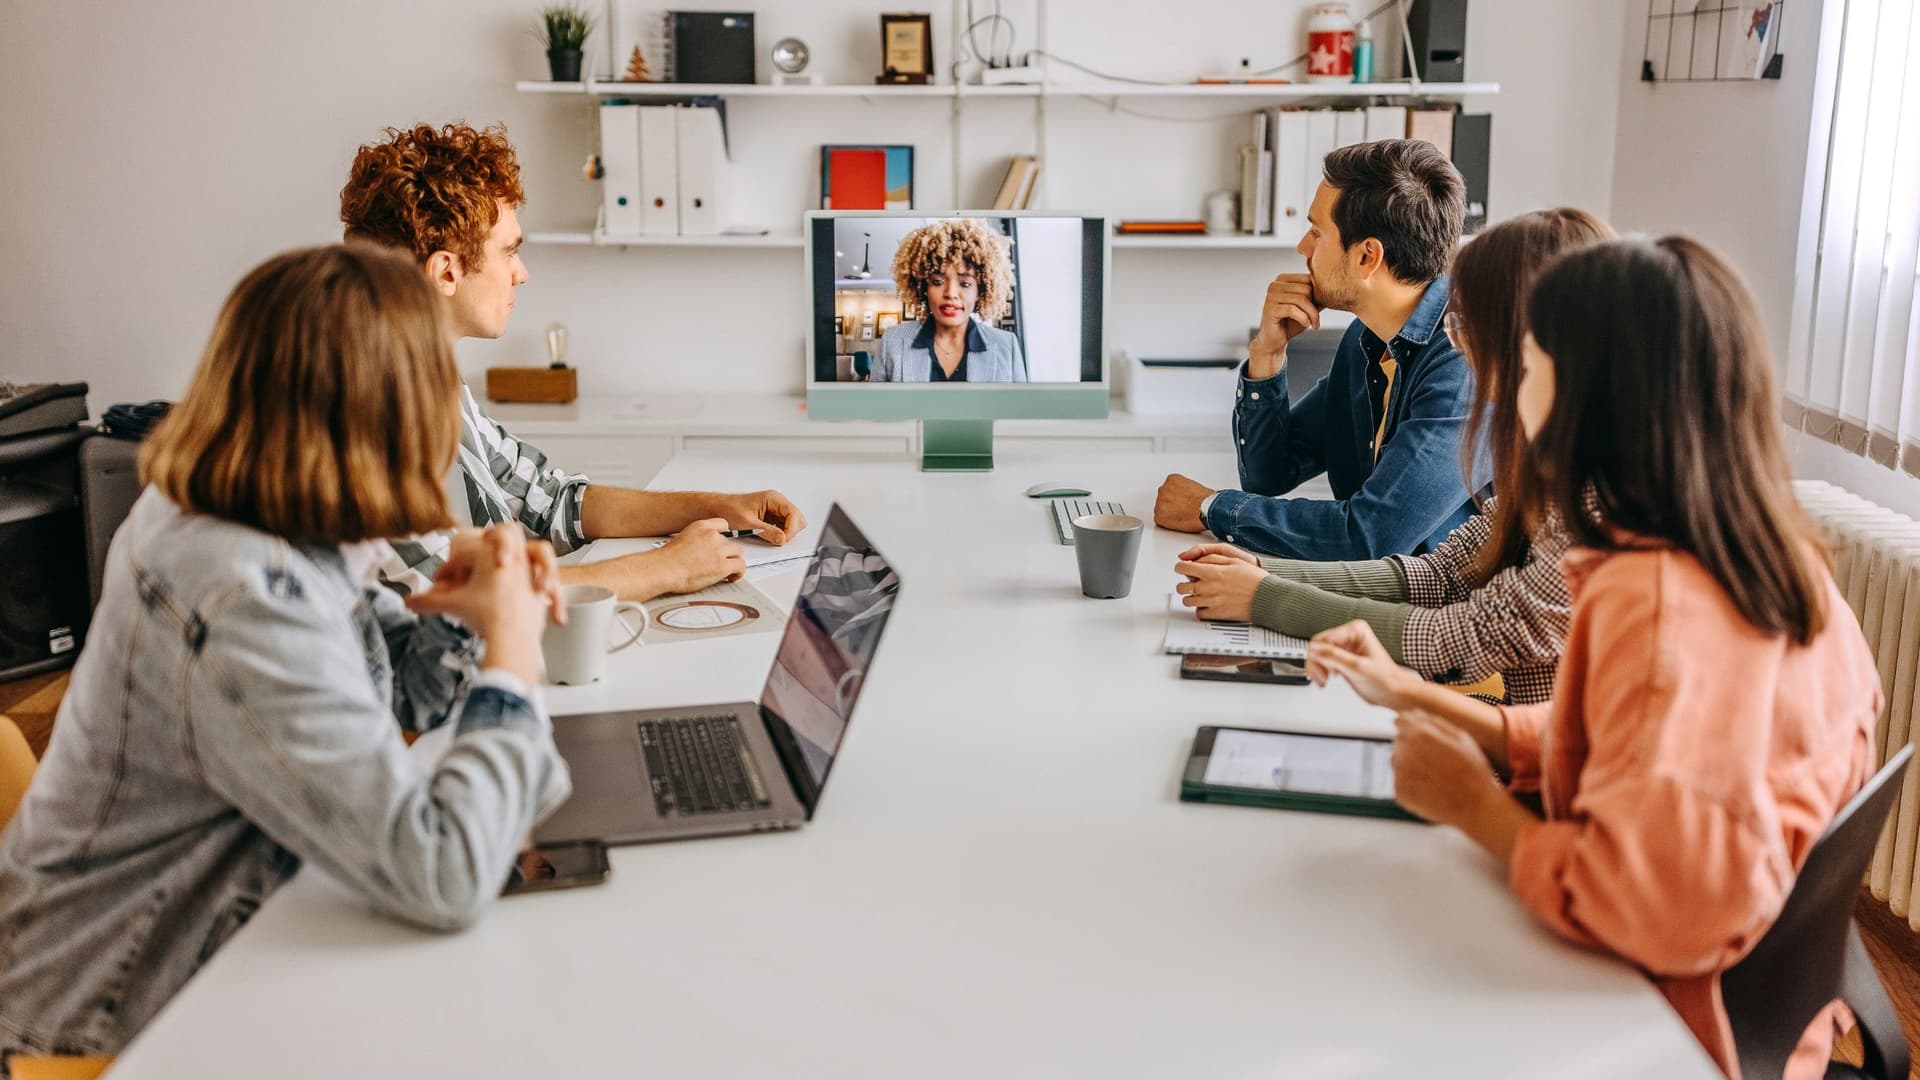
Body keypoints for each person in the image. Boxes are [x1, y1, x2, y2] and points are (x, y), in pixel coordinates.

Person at [1307, 237, 1881, 1078]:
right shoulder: (1779, 564)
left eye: (1531, 363)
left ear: (1588, 398)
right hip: (1771, 1020)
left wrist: (1479, 809)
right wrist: (1423, 699)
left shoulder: (1647, 598)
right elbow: (1649, 737)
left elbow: (1646, 910)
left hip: (1666, 1026)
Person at [0, 245, 574, 1063]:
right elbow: (444, 872)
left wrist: (464, 610)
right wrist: (513, 651)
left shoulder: (265, 517)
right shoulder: (240, 588)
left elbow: (408, 696)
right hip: (121, 1020)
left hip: (229, 940)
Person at [339, 122, 808, 599]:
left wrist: (721, 506)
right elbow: (455, 599)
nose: (522, 273)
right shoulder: (361, 413)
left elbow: (545, 502)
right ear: (446, 271)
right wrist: (668, 569)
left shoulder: (427, 377)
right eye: (509, 252)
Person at [1172, 208, 1615, 705]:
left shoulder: (1606, 510)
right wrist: (1260, 570)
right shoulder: (1551, 473)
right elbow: (1441, 574)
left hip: (1508, 731)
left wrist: (1262, 595)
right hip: (1493, 713)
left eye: (1480, 331)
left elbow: (1454, 628)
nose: (1469, 351)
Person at [1154, 139, 1475, 560]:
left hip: (1435, 616)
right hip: (1365, 596)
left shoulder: (1464, 360)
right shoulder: (1366, 339)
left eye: (1317, 232)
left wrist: (1209, 508)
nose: (1303, 248)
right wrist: (1267, 356)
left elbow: (1371, 535)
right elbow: (1270, 476)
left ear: (1367, 257)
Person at [871, 218, 1027, 382]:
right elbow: (874, 406)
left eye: (965, 284)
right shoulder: (892, 342)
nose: (951, 293)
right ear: (923, 287)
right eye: (937, 282)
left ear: (980, 290)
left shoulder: (1006, 345)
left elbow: (1020, 407)